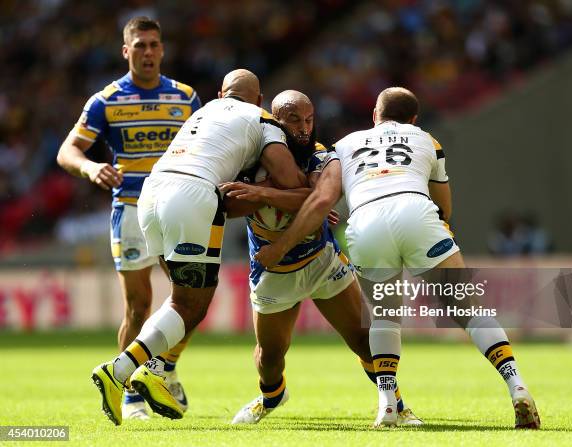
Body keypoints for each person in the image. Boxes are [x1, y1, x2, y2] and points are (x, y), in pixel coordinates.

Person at [255, 87, 541, 429]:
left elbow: (321, 195)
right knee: (468, 309)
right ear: (414, 119)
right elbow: (444, 205)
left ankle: (388, 406)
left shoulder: (343, 146)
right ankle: (517, 386)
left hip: (366, 221)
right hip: (416, 210)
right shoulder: (427, 139)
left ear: (375, 114)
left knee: (384, 317)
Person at [90, 69, 306, 426]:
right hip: (191, 195)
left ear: (222, 93)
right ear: (259, 99)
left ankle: (154, 371)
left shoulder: (202, 112)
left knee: (181, 298)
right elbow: (286, 176)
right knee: (191, 304)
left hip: (151, 192)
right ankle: (121, 370)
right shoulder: (260, 118)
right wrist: (306, 190)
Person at [219, 90, 422, 426]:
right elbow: (230, 205)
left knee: (363, 338)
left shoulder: (320, 154)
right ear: (275, 121)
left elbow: (319, 198)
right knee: (269, 358)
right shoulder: (247, 157)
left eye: (309, 119)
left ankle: (396, 404)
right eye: (294, 120)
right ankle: (272, 395)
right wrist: (294, 198)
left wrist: (263, 192)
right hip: (274, 269)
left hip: (321, 260)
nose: (304, 127)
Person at [57, 16, 200, 420]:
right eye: (140, 45)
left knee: (191, 301)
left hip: (179, 209)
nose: (148, 52)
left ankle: (164, 369)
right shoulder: (107, 100)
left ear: (163, 50)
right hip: (133, 208)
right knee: (139, 306)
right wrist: (90, 169)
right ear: (126, 51)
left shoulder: (187, 99)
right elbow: (68, 151)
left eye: (154, 45)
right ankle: (128, 392)